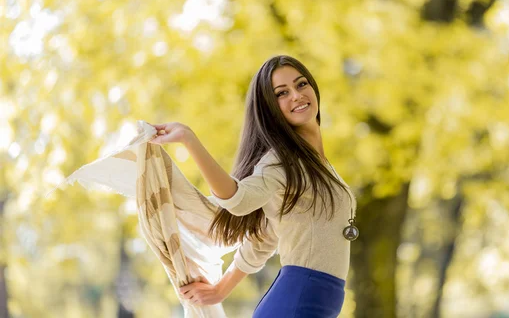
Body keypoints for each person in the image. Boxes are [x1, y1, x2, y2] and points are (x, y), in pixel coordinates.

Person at [149, 55, 358, 317]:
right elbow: (239, 200)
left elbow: (265, 237)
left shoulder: (317, 163)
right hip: (298, 300)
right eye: (282, 93)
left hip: (314, 300)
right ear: (270, 108)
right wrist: (189, 140)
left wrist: (221, 290)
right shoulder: (281, 162)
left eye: (301, 84)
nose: (296, 95)